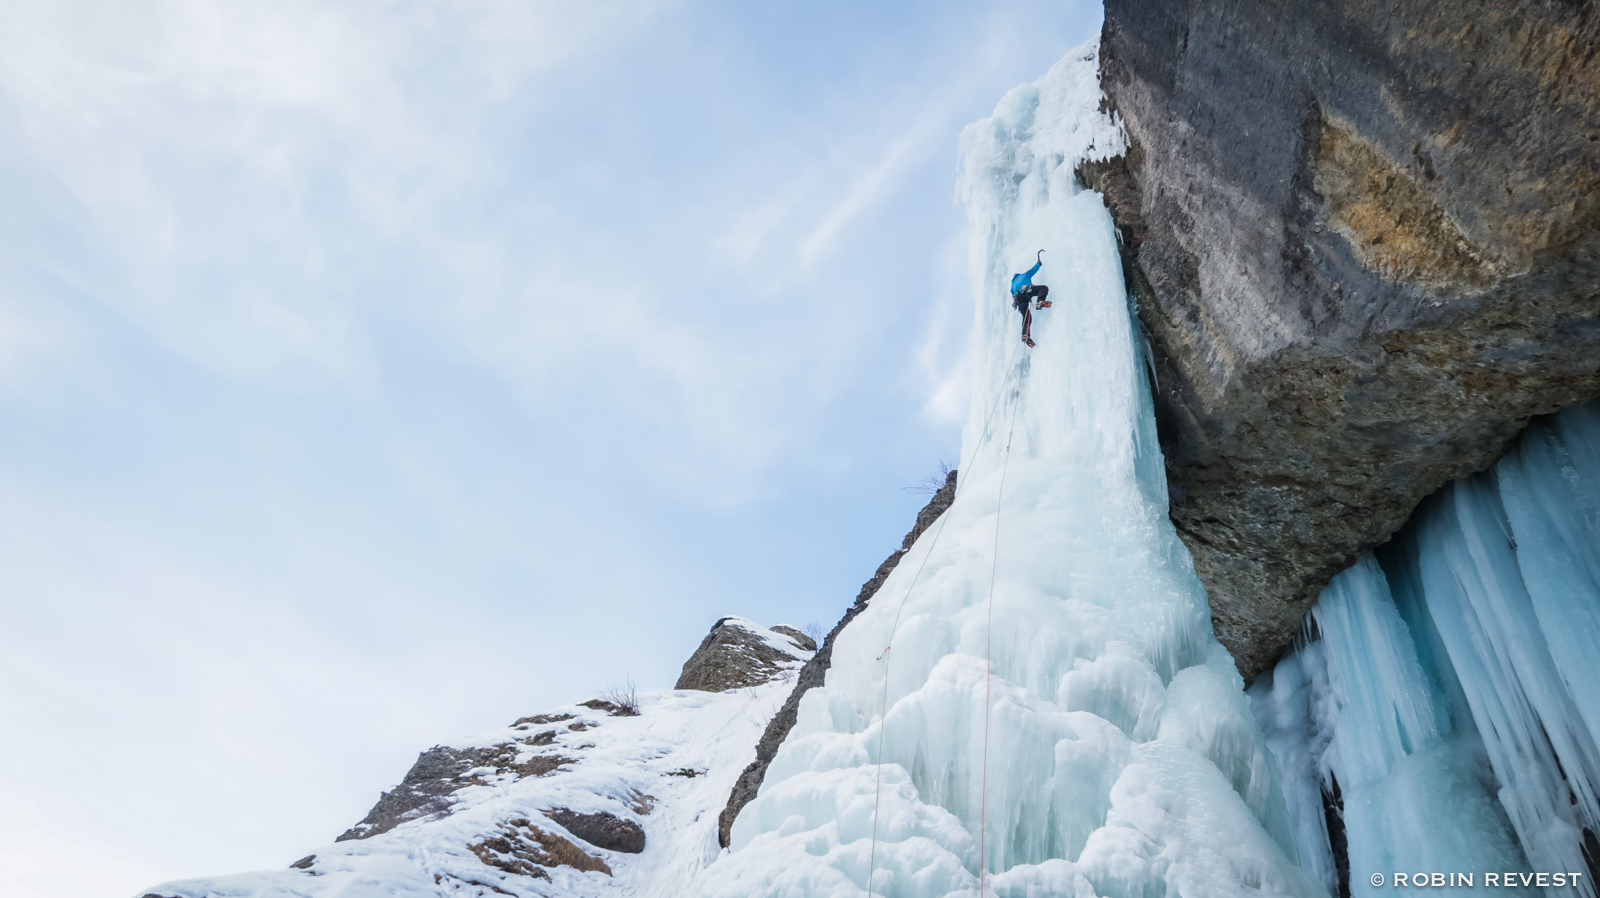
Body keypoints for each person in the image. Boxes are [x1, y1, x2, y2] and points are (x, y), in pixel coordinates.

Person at [1010, 250, 1051, 347]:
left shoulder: (1012, 286)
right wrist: (1039, 263)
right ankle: (1040, 301)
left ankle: (1025, 335)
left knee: (1027, 317)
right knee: (1043, 288)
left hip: (1019, 300)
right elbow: (1033, 270)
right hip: (1025, 291)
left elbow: (1013, 297)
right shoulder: (1024, 275)